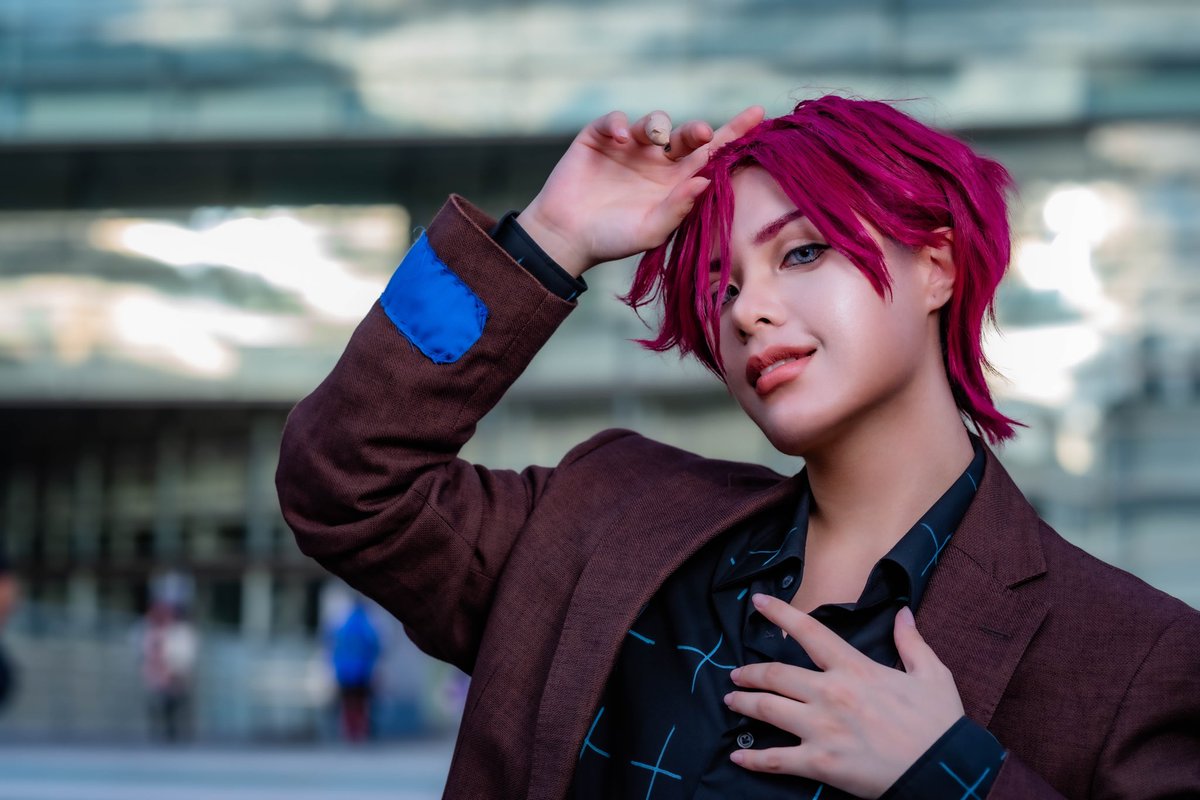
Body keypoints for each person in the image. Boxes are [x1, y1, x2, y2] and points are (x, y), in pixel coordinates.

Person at [275, 96, 1200, 798]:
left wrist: (951, 776)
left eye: (801, 253)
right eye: (721, 285)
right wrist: (550, 237)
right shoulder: (603, 518)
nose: (748, 310)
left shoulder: (1131, 654)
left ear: (936, 267)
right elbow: (345, 480)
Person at [140, 601, 198, 742]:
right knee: (162, 703)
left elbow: (184, 654)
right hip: (160, 674)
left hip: (176, 672)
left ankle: (177, 732)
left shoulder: (181, 632)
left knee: (178, 702)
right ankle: (165, 731)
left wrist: (177, 670)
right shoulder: (155, 631)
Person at [329, 597, 381, 742]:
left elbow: (335, 648)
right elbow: (375, 646)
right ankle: (360, 731)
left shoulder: (343, 625)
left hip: (344, 672)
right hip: (362, 671)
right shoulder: (366, 624)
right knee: (361, 702)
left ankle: (349, 731)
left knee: (347, 702)